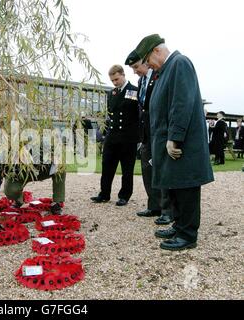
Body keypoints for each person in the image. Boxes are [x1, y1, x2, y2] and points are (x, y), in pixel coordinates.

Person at [134, 34, 214, 250]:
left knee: (186, 186)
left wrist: (174, 137)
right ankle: (179, 226)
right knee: (175, 185)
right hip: (168, 142)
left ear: (157, 51)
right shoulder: (164, 71)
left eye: (148, 59)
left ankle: (188, 235)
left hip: (181, 144)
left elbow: (181, 103)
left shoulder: (180, 63)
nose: (148, 65)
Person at [125, 50, 173, 225]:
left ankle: (168, 210)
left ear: (145, 62)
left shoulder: (159, 76)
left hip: (159, 128)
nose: (135, 71)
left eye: (136, 66)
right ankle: (154, 205)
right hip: (146, 131)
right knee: (147, 168)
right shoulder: (141, 81)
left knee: (162, 169)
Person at [91, 65, 139, 206]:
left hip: (127, 137)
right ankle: (104, 193)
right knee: (107, 167)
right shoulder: (111, 93)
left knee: (127, 170)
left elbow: (130, 110)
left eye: (117, 79)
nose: (115, 83)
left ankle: (124, 195)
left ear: (123, 75)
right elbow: (112, 114)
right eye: (112, 80)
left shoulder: (133, 91)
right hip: (112, 137)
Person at [0, 152, 66, 225]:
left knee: (60, 165)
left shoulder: (44, 146)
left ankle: (57, 202)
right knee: (10, 191)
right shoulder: (8, 154)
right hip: (20, 175)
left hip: (42, 170)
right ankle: (18, 200)